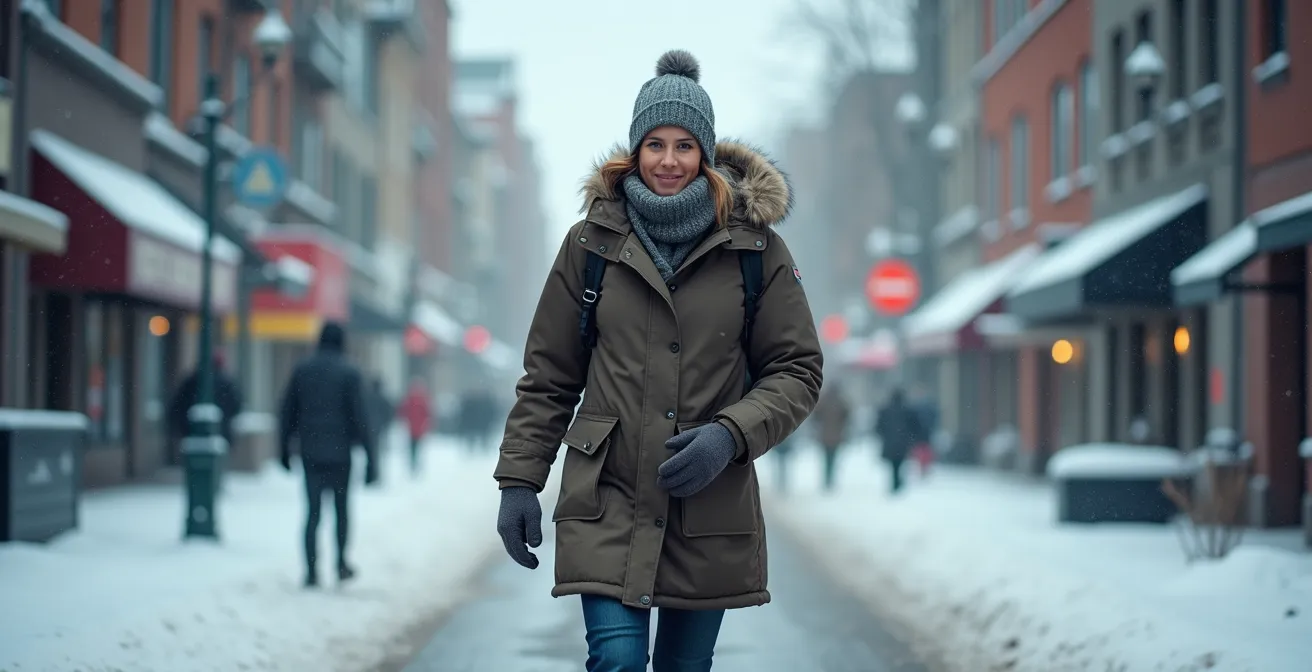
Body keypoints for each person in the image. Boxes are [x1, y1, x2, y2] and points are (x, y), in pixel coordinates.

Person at [493, 50, 823, 671]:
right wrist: (519, 479)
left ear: (706, 152)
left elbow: (798, 368)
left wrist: (729, 437)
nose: (668, 161)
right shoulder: (590, 244)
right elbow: (550, 374)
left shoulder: (756, 249)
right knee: (616, 662)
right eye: (654, 144)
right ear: (634, 149)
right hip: (607, 495)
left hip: (708, 507)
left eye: (684, 146)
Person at [278, 322, 378, 588]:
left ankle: (311, 571)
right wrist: (371, 459)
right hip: (340, 454)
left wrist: (284, 449)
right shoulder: (350, 372)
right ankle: (341, 563)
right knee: (341, 511)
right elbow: (362, 418)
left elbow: (287, 411)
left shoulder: (303, 370)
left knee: (312, 514)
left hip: (310, 452)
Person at [168, 350, 243, 456]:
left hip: (191, 432)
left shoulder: (193, 380)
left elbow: (177, 404)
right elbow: (237, 404)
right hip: (220, 431)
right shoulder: (226, 382)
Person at [875, 387, 925, 494]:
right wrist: (913, 438)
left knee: (893, 465)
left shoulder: (885, 409)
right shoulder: (908, 410)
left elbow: (878, 426)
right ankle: (897, 483)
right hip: (903, 443)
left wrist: (884, 435)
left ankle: (895, 483)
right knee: (900, 463)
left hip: (890, 442)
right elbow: (916, 426)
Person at [812, 383, 851, 491]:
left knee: (826, 459)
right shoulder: (841, 401)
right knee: (833, 458)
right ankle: (831, 480)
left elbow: (815, 416)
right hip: (837, 436)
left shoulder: (823, 401)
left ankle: (827, 479)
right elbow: (847, 415)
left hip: (825, 436)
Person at [399, 378, 432, 475]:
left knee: (412, 446)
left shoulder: (409, 398)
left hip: (411, 427)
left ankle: (413, 463)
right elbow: (428, 413)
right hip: (419, 427)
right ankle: (416, 463)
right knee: (418, 446)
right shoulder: (423, 399)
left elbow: (403, 411)